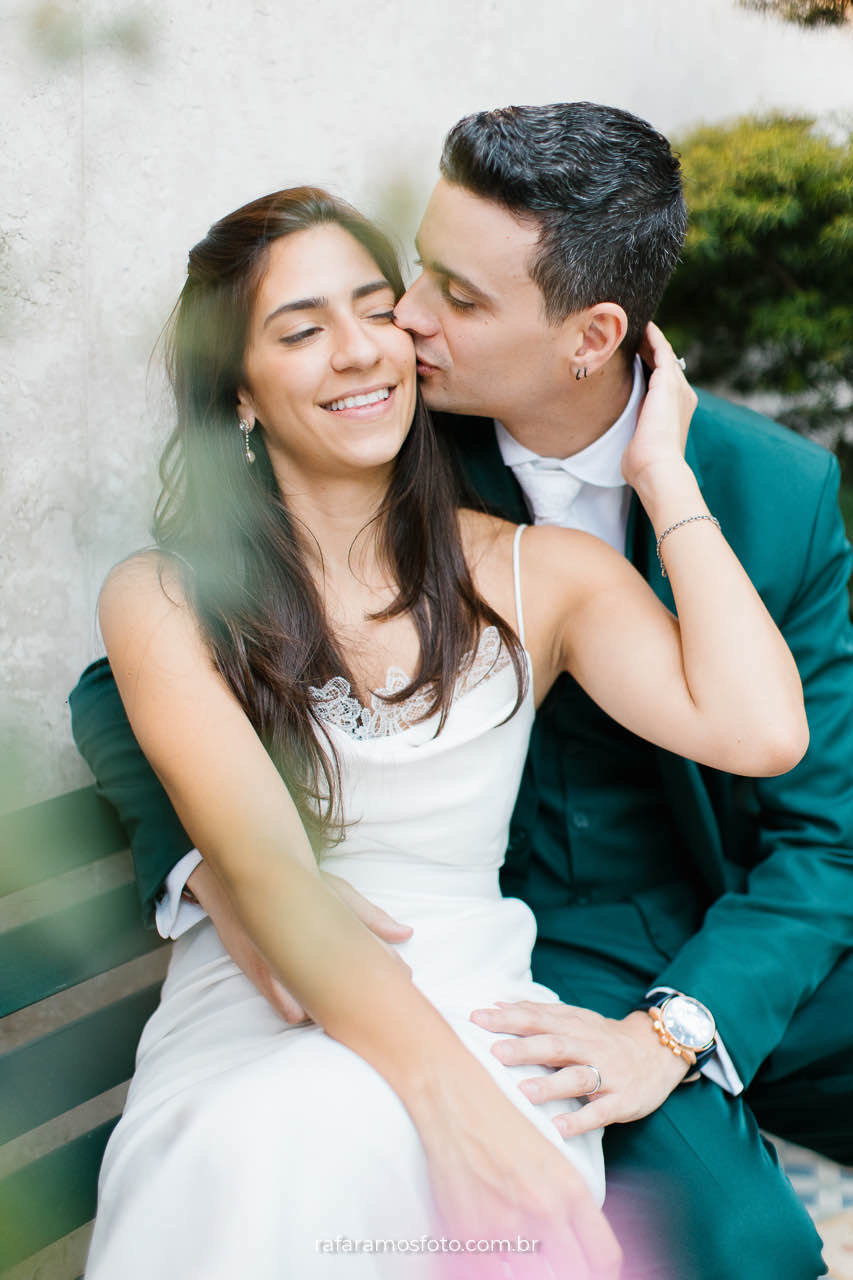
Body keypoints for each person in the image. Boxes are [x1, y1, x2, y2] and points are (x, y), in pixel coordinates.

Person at [68, 102, 853, 1277]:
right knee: (737, 1239)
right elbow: (127, 682)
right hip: (482, 953)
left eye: (430, 302)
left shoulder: (753, 494)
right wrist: (217, 862)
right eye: (415, 279)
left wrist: (663, 475)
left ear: (590, 336)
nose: (404, 330)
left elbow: (804, 794)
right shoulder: (393, 438)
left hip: (705, 927)